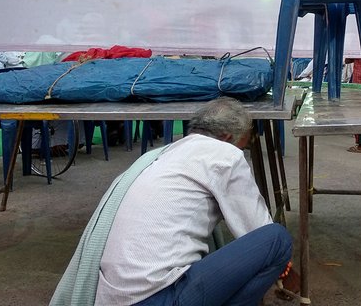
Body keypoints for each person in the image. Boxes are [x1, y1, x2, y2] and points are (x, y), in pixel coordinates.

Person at [51, 97, 295, 306]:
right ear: (228, 136)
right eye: (245, 142)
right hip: (158, 298)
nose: (244, 150)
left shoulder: (161, 155)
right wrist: (288, 267)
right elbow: (257, 229)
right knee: (277, 239)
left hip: (112, 297)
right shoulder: (224, 154)